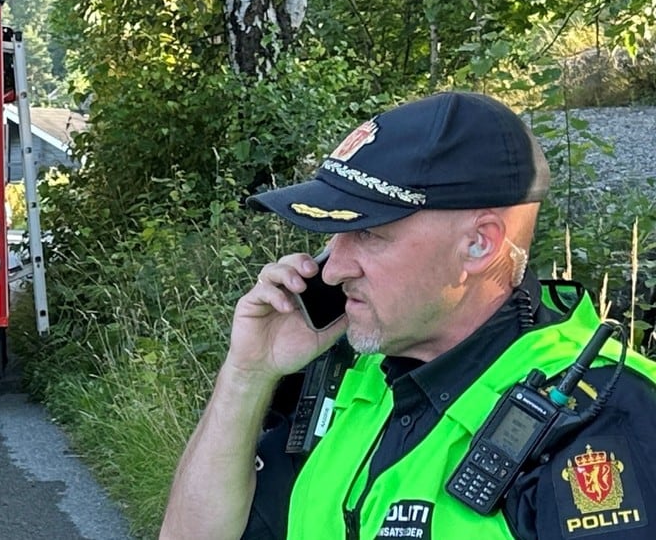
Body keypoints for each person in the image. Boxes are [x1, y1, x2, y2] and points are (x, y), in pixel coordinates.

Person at [160, 92, 656, 540]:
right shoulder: (353, 371)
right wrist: (248, 373)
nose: (332, 269)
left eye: (369, 234)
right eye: (335, 236)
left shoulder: (598, 418)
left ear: (477, 245)